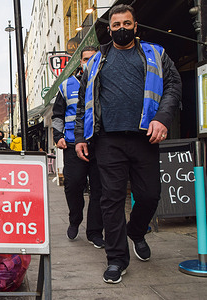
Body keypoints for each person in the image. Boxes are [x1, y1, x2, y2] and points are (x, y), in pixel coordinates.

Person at [75, 4, 182, 284]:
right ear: (109, 29)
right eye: (116, 25)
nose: (121, 28)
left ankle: (136, 231)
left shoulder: (155, 53)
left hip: (144, 136)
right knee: (111, 200)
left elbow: (173, 85)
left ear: (135, 26)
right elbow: (83, 102)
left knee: (149, 195)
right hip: (108, 139)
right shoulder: (97, 60)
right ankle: (116, 259)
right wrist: (79, 137)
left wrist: (163, 118)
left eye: (126, 24)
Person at [52, 46, 104, 248]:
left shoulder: (103, 82)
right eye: (85, 59)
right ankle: (75, 219)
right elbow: (58, 115)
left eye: (92, 59)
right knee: (73, 186)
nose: (88, 62)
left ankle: (95, 231)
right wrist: (58, 136)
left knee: (99, 190)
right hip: (73, 144)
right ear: (80, 62)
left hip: (98, 145)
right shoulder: (66, 86)